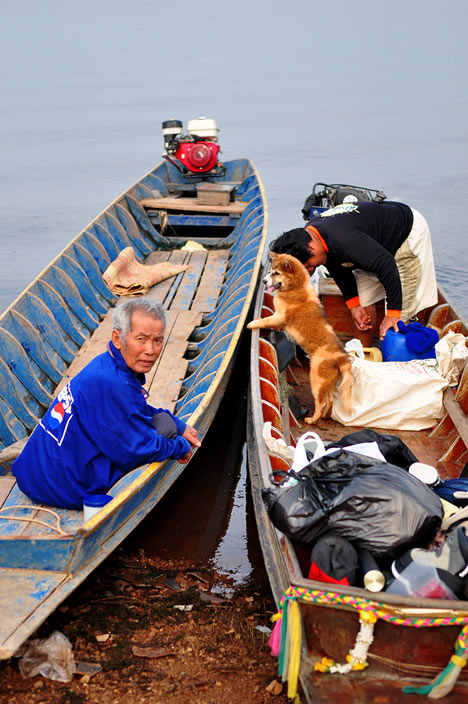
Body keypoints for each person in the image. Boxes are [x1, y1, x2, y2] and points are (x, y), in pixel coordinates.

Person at [12, 296, 200, 509]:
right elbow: (138, 450)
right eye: (141, 339)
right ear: (118, 339)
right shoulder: (113, 383)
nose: (150, 350)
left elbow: (135, 408)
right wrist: (180, 447)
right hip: (63, 487)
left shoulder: (106, 363)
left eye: (157, 340)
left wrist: (179, 424)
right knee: (160, 434)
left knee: (165, 422)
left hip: (33, 474)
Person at [269, 199, 438, 345]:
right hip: (371, 245)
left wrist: (393, 313)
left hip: (405, 235)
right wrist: (354, 305)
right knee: (362, 310)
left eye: (308, 266)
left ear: (311, 248)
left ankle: (396, 366)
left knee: (399, 319)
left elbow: (386, 264)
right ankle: (362, 358)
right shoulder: (311, 235)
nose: (310, 270)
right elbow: (336, 267)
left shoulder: (344, 240)